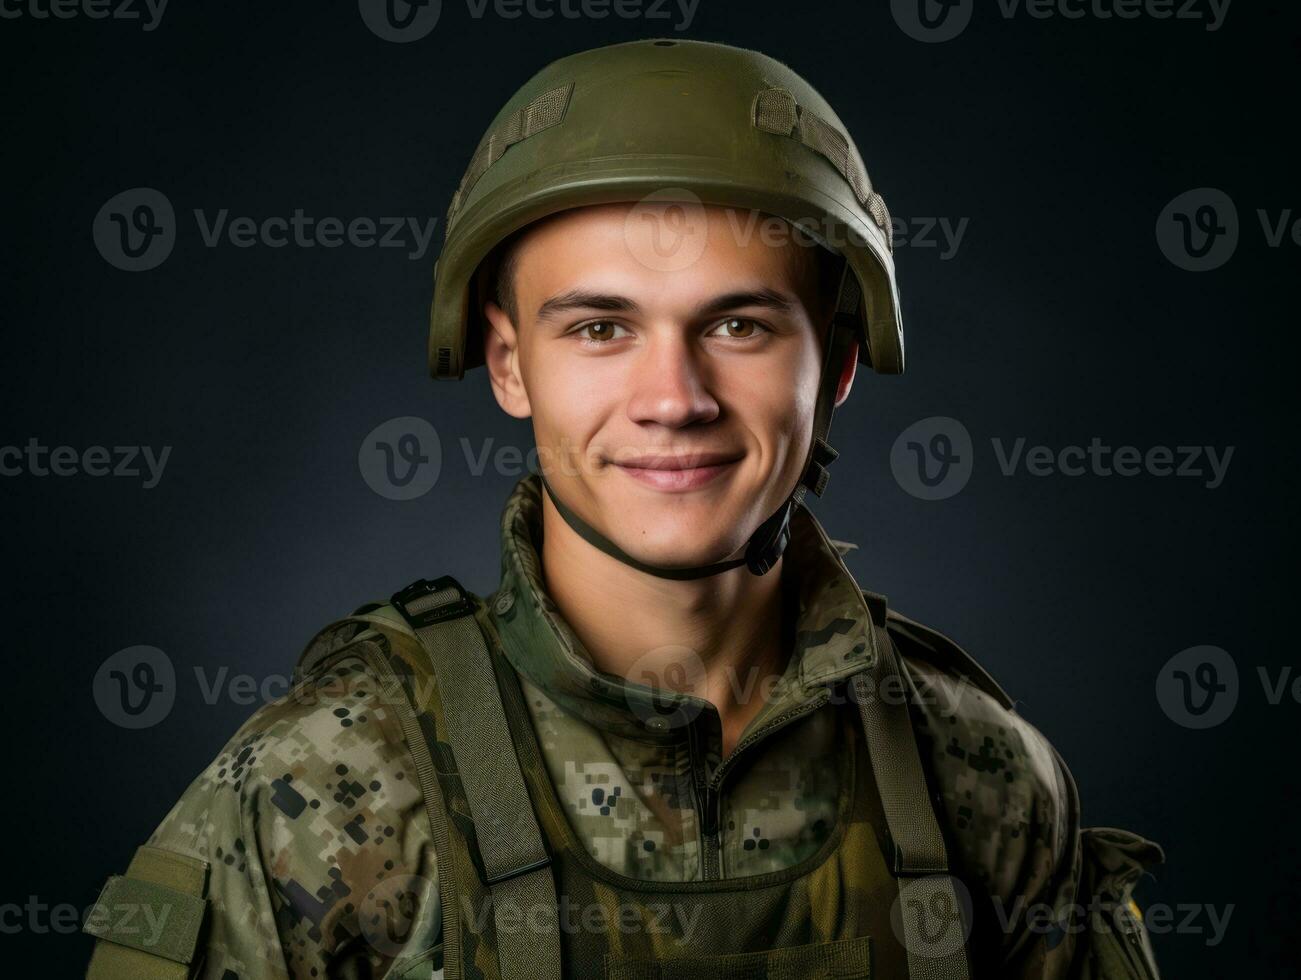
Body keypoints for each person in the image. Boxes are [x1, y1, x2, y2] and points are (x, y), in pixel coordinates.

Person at [84, 38, 1165, 979]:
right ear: (508, 365)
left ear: (832, 363)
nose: (672, 399)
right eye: (599, 328)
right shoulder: (321, 789)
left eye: (737, 325)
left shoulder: (981, 778)